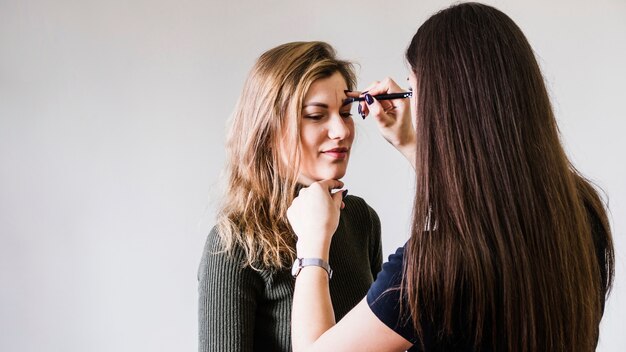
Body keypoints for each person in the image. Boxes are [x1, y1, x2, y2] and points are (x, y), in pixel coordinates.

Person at [287, 3, 615, 351]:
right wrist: (410, 143)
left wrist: (312, 246)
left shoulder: (433, 269)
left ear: (445, 105)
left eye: (412, 92)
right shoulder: (580, 208)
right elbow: (483, 208)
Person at [198, 41, 383, 352]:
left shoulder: (361, 218)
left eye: (346, 112)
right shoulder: (235, 244)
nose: (341, 130)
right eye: (315, 116)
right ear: (267, 129)